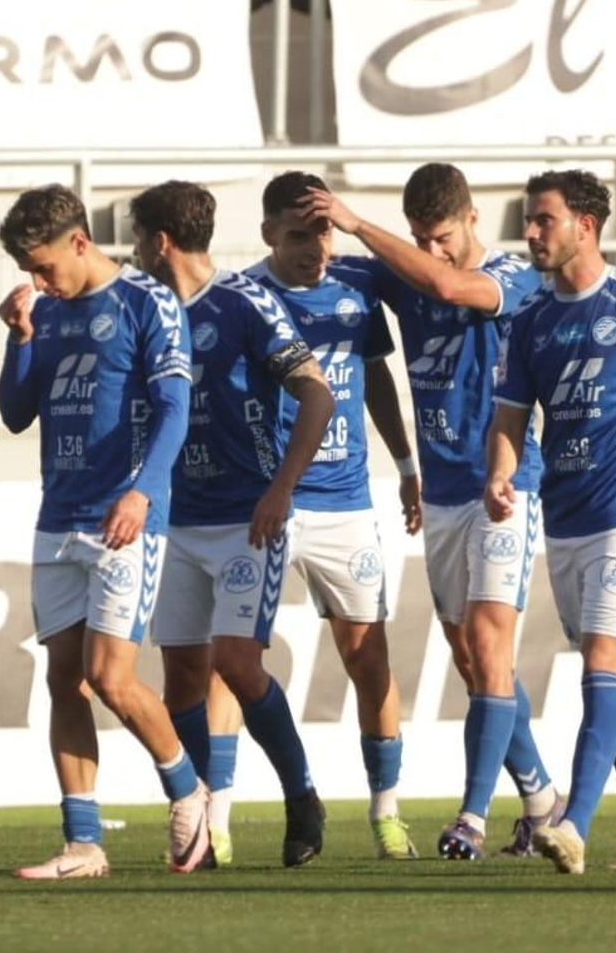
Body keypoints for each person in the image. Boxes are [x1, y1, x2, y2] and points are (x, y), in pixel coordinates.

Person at [296, 163, 565, 861]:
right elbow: (330, 272)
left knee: (486, 642)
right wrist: (305, 248)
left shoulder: (512, 277)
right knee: (473, 662)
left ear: (472, 219)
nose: (433, 250)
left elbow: (448, 284)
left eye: (441, 235)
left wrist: (358, 222)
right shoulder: (408, 271)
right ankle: (541, 802)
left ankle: (471, 817)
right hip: (442, 495)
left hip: (504, 485)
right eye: (421, 238)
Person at [0, 183, 211, 879]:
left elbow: (176, 407)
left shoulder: (147, 303)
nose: (37, 280)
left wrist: (143, 492)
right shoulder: (48, 313)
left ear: (80, 242)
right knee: (64, 680)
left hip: (123, 521)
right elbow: (15, 411)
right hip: (57, 517)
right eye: (27, 268)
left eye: (43, 265)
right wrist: (19, 337)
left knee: (109, 675)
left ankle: (188, 790)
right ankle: (84, 842)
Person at [132, 180, 333, 869]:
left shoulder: (245, 304)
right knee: (181, 679)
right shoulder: (143, 310)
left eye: (136, 239)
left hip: (247, 516)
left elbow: (317, 393)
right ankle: (200, 828)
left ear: (161, 242)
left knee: (239, 665)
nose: (131, 253)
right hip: (175, 522)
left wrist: (282, 488)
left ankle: (301, 794)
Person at [484, 169, 616, 875]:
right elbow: (508, 419)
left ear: (585, 226)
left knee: (601, 659)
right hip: (563, 522)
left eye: (543, 220)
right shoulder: (530, 321)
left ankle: (575, 823)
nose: (531, 233)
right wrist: (500, 472)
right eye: (530, 221)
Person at [245, 170, 422, 860]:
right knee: (237, 658)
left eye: (320, 231)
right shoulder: (246, 296)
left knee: (368, 658)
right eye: (296, 234)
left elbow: (376, 375)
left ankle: (386, 810)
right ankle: (221, 820)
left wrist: (405, 463)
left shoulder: (354, 290)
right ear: (268, 234)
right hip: (267, 502)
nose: (312, 248)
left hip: (346, 502)